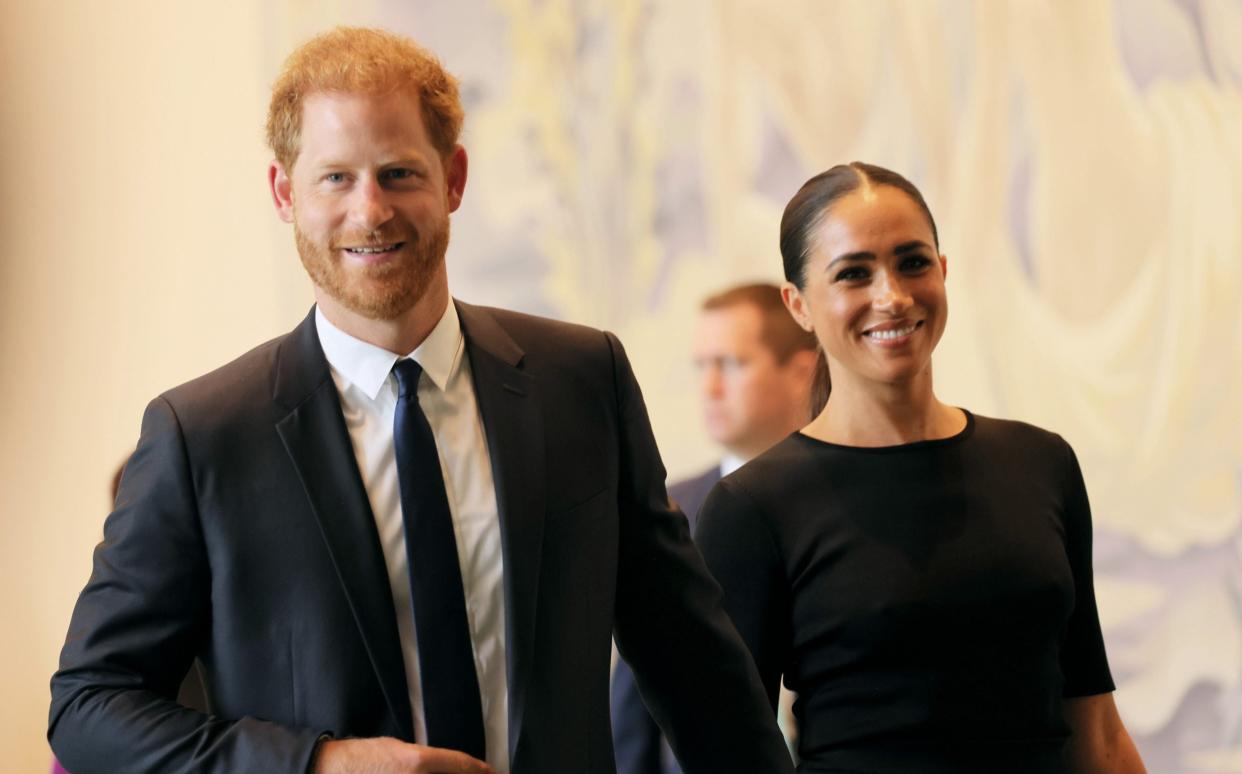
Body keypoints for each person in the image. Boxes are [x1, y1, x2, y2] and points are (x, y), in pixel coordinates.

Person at [48, 27, 793, 774]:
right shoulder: (202, 436)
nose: (371, 211)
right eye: (334, 178)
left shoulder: (582, 380)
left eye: (399, 172)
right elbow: (87, 707)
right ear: (285, 193)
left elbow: (694, 664)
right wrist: (322, 765)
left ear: (454, 178)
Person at [694, 162, 1147, 772]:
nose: (893, 296)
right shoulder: (754, 506)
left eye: (912, 262)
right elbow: (726, 753)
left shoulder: (1041, 463)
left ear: (943, 270)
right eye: (854, 273)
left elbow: (1097, 731)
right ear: (799, 305)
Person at [611, 283, 816, 774]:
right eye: (702, 366)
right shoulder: (665, 508)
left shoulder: (851, 501)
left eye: (731, 364)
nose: (710, 388)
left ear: (802, 372)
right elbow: (637, 699)